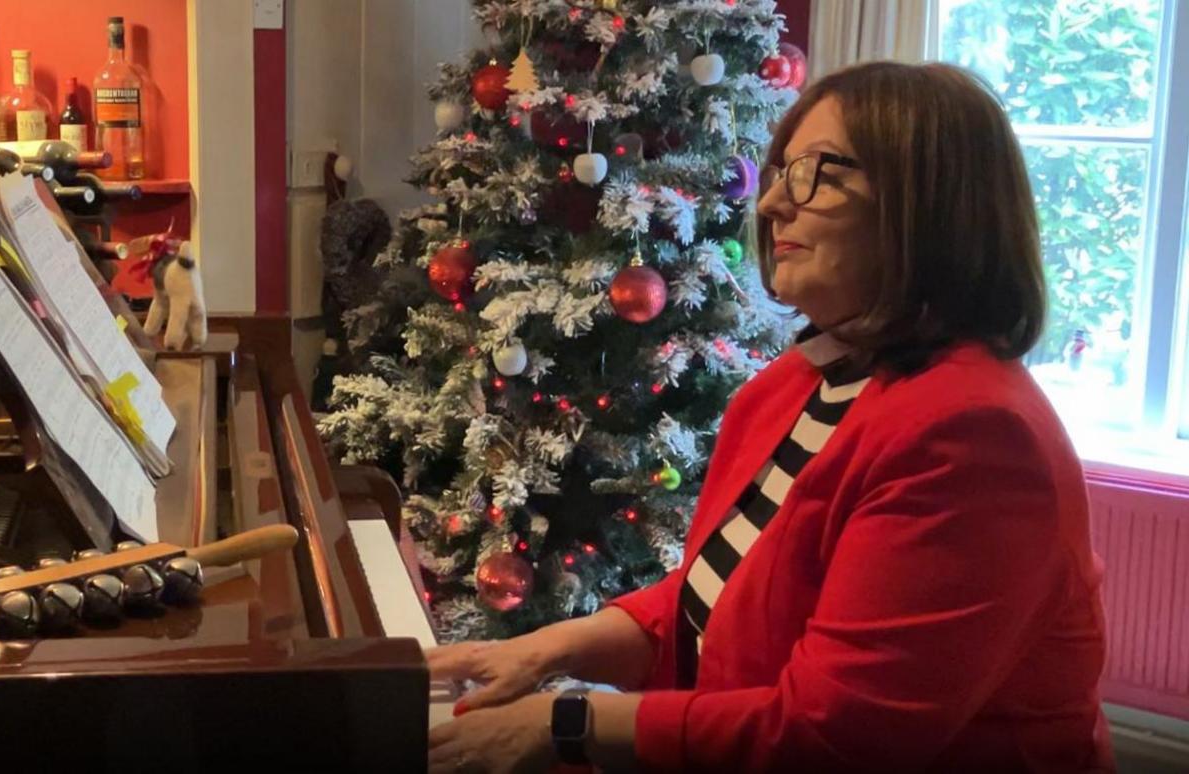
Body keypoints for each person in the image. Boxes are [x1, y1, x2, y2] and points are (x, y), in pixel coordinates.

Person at [426, 61, 1113, 773]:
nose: (775, 201)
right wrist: (549, 648)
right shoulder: (802, 380)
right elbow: (723, 594)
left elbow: (834, 736)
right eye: (782, 170)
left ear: (930, 203)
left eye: (823, 171)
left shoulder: (972, 436)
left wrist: (568, 720)